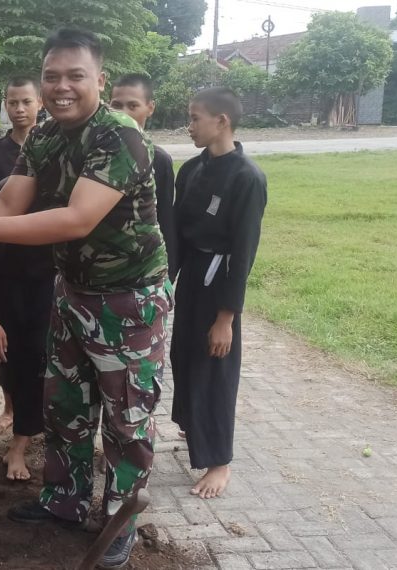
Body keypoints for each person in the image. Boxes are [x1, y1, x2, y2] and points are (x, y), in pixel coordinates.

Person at [0, 29, 169, 569]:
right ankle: (65, 502)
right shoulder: (46, 133)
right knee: (65, 407)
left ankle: (118, 524)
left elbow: (76, 219)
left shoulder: (119, 136)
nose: (61, 86)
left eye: (75, 76)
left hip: (128, 301)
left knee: (126, 420)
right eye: (52, 76)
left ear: (101, 80)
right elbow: (11, 200)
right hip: (71, 293)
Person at [168, 87, 267, 500]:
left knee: (215, 366)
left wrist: (226, 317)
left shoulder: (247, 178)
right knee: (183, 356)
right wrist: (166, 281)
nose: (189, 126)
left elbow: (244, 253)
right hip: (192, 275)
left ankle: (219, 461)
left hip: (220, 280)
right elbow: (177, 233)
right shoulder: (191, 169)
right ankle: (194, 427)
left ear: (221, 121)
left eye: (195, 118)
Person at [0, 76, 53, 481]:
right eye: (12, 102)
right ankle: (12, 410)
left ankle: (23, 438)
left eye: (26, 102)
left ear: (40, 103)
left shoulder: (54, 146)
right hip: (3, 262)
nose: (18, 109)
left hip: (47, 267)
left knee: (36, 356)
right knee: (6, 350)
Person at [110, 74, 176, 276]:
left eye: (132, 106)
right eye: (116, 105)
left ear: (150, 107)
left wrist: (168, 273)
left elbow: (164, 218)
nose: (123, 113)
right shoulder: (96, 154)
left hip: (140, 268)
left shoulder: (159, 160)